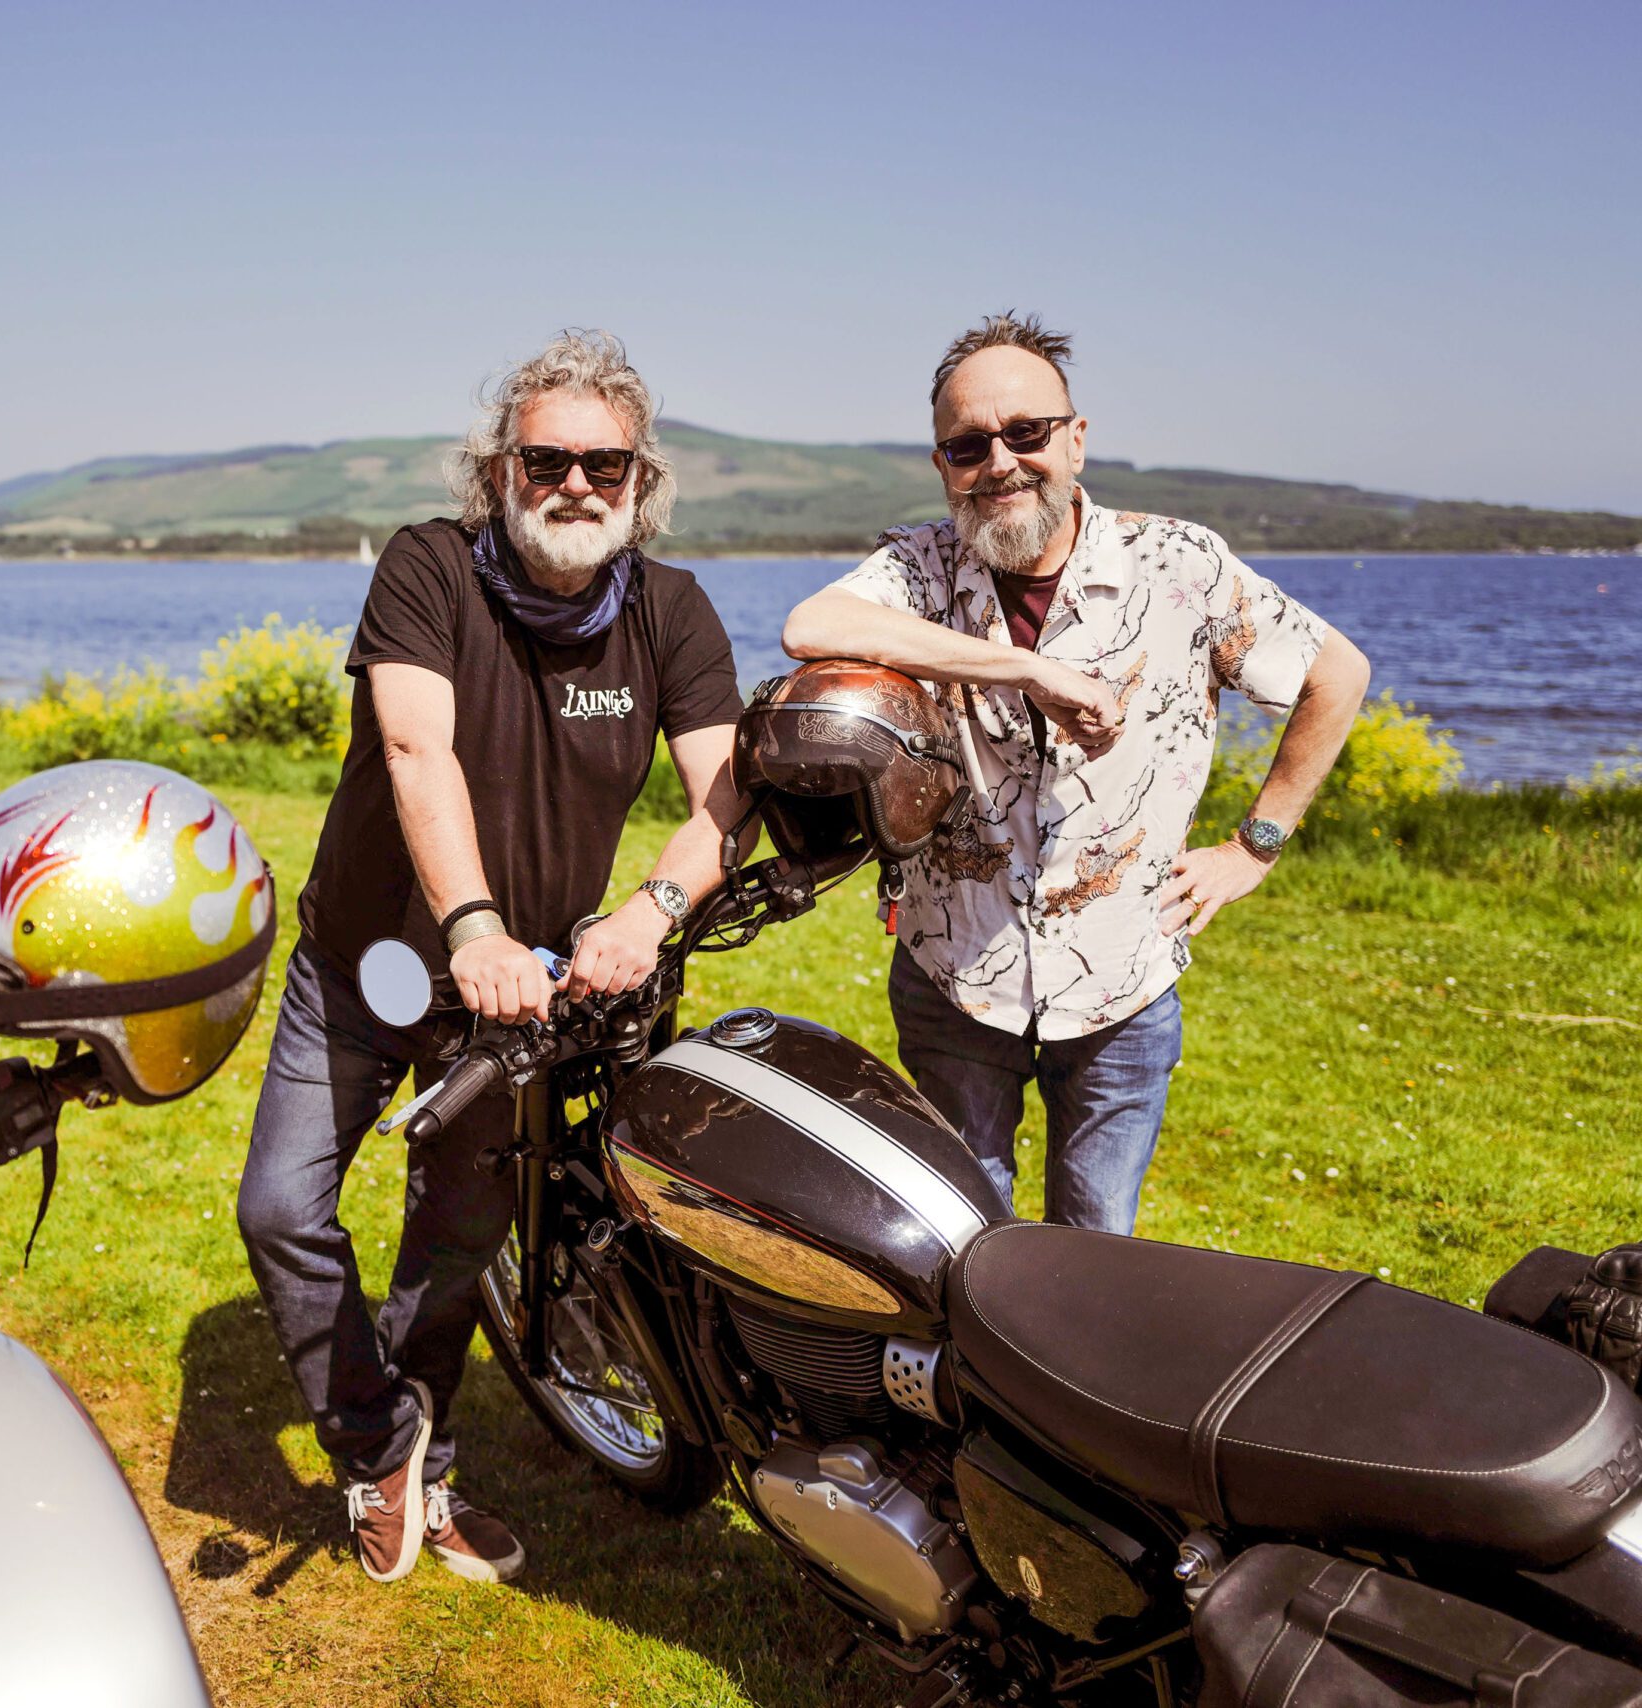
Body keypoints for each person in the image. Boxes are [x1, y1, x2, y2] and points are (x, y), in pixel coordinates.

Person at [236, 330, 746, 1584]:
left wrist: (648, 911)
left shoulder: (671, 612)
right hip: (376, 962)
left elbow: (726, 797)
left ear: (641, 483)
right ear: (499, 468)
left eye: (605, 465)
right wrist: (469, 923)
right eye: (547, 458)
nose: (577, 484)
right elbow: (418, 750)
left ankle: (424, 1462)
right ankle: (380, 1442)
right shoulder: (429, 569)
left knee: (452, 1243)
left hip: (524, 1003)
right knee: (279, 1207)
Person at [780, 312, 1370, 1232]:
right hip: (954, 979)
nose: (1002, 463)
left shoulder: (1180, 564)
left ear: (1076, 440)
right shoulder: (920, 566)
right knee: (956, 1236)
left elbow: (1336, 674)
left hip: (1122, 987)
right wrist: (1025, 667)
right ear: (943, 466)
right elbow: (810, 626)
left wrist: (1254, 848)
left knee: (1095, 1254)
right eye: (969, 445)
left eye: (1027, 433)